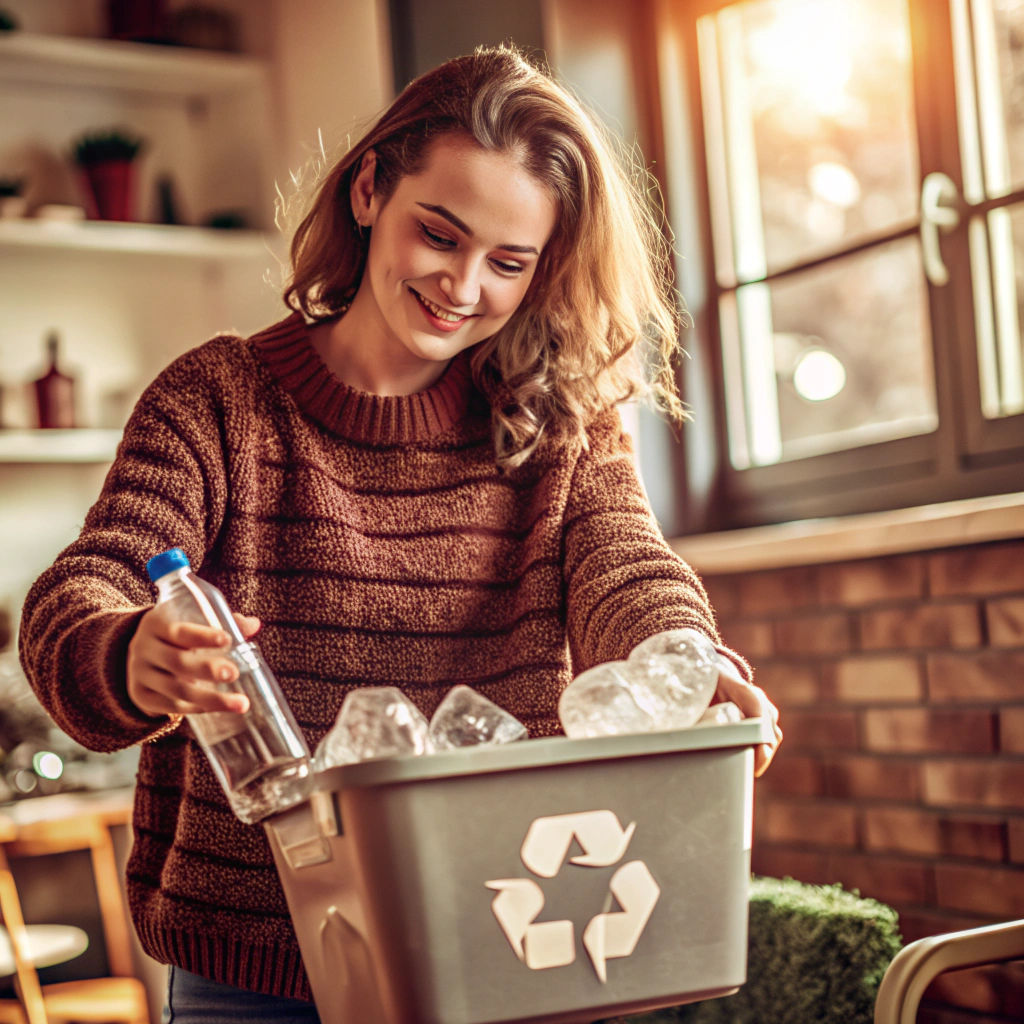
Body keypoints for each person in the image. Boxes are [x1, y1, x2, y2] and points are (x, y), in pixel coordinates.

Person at [19, 46, 781, 1022]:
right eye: (440, 234)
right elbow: (89, 582)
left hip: (509, 932)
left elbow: (624, 564)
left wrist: (679, 657)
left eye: (508, 262)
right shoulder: (219, 400)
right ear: (370, 188)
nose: (463, 285)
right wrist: (129, 653)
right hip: (259, 965)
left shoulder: (562, 420)